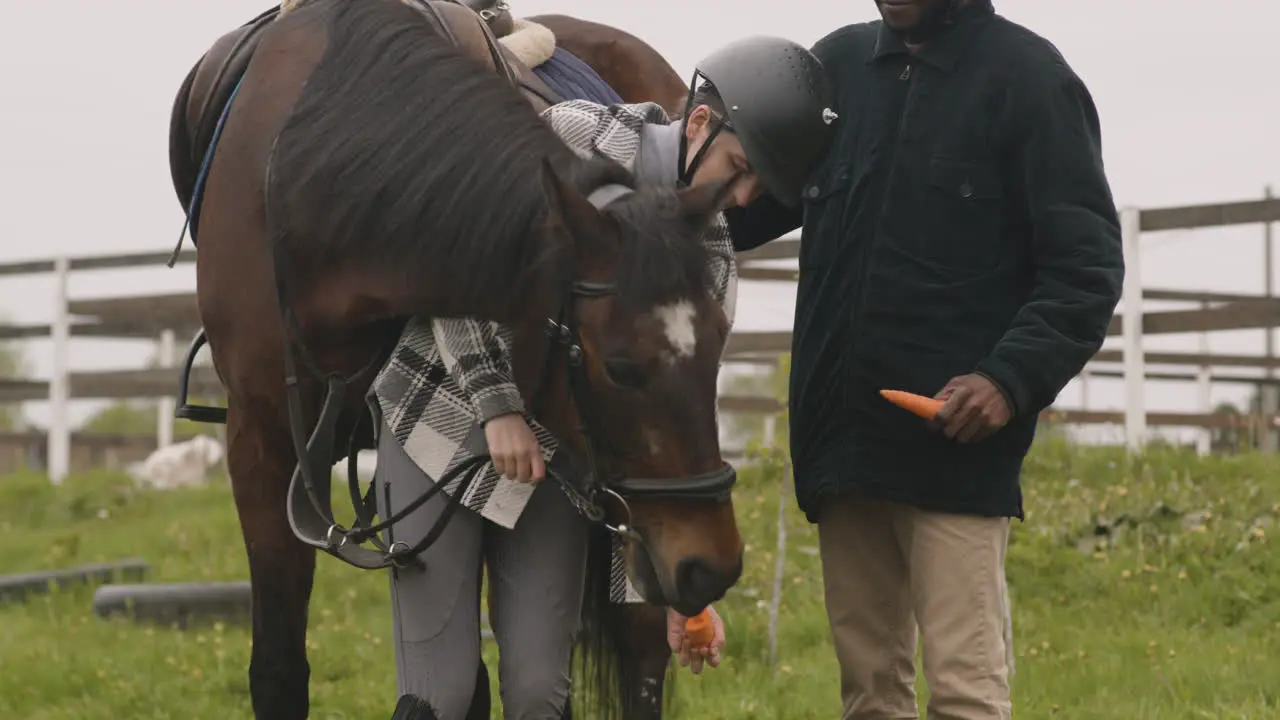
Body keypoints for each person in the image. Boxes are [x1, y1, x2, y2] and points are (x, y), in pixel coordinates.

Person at [367, 35, 837, 719]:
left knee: (539, 694)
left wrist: (672, 591)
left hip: (556, 462)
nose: (741, 197)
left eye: (759, 187)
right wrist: (497, 406)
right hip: (439, 417)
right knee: (438, 694)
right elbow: (447, 260)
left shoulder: (712, 259)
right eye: (740, 168)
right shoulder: (565, 132)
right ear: (700, 123)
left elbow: (651, 432)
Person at [723, 1, 1125, 718]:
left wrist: (1008, 380)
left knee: (966, 693)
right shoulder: (834, 70)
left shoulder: (1029, 80)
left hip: (955, 451)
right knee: (868, 694)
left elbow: (1085, 269)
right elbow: (738, 203)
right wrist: (664, 158)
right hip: (841, 441)